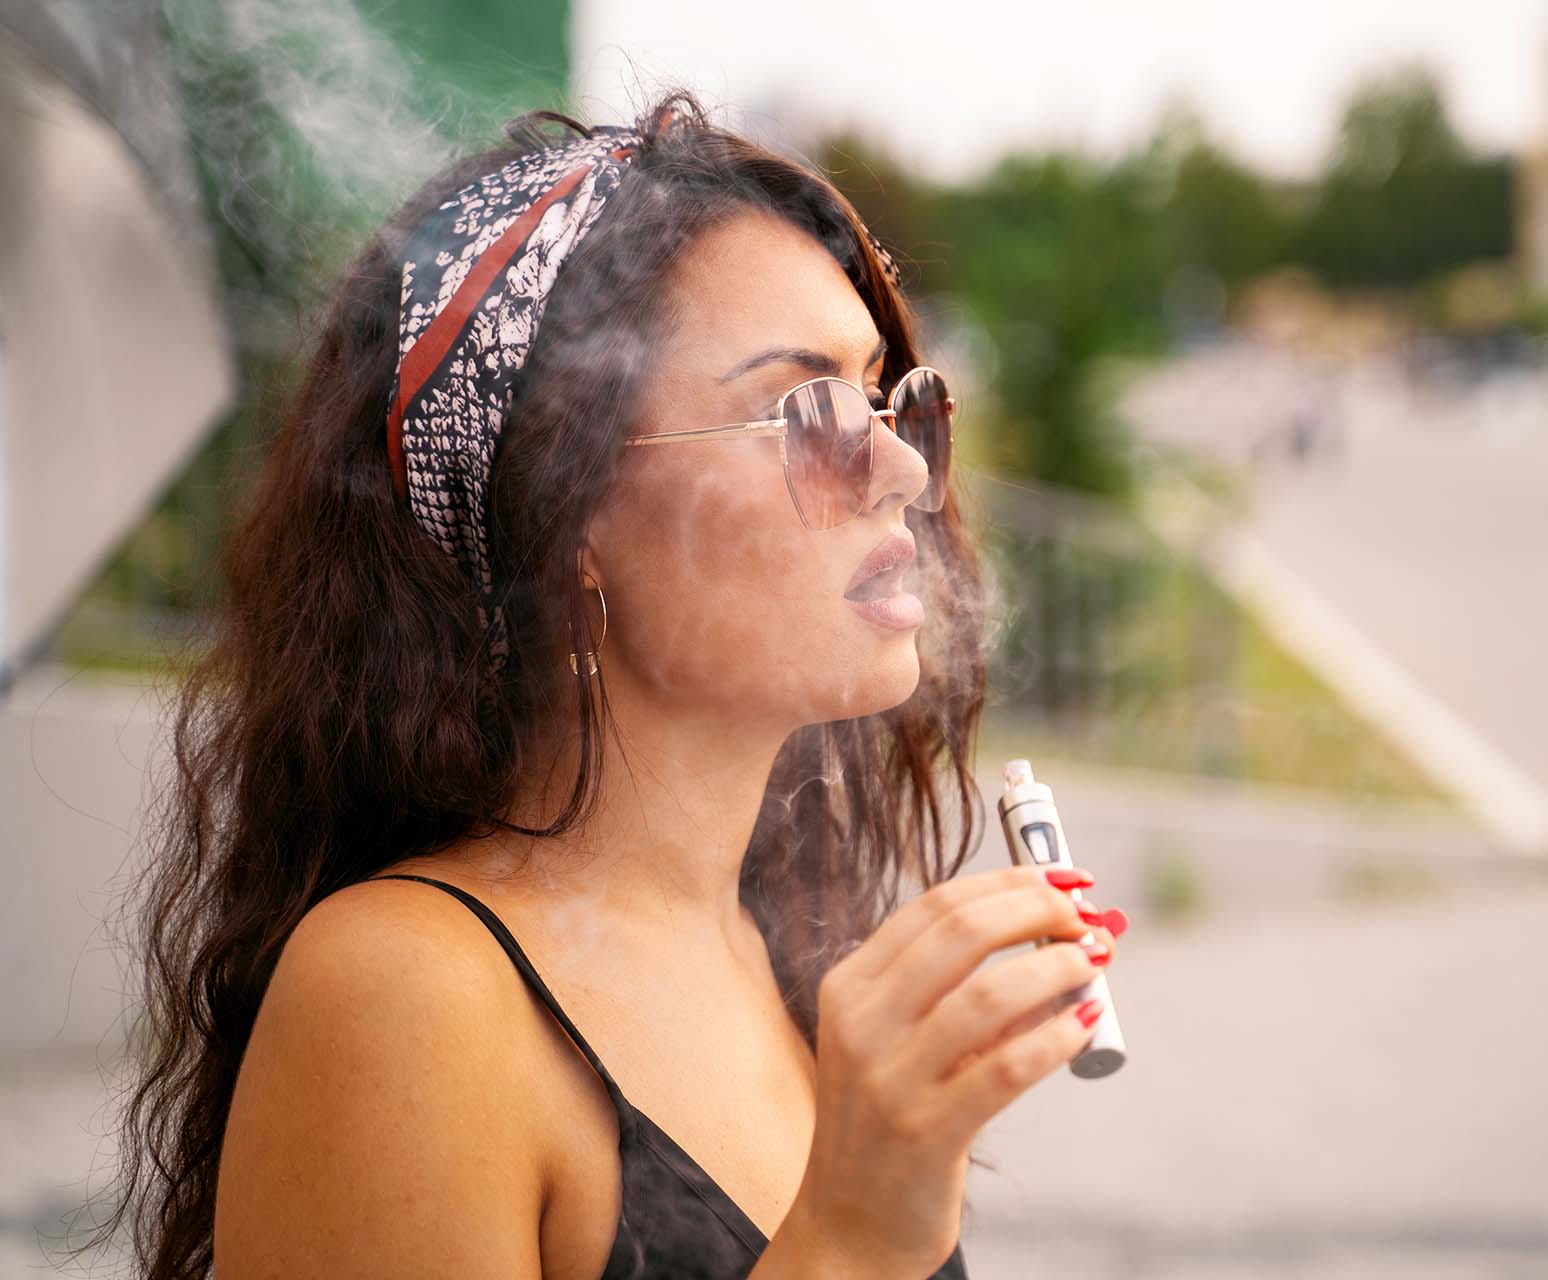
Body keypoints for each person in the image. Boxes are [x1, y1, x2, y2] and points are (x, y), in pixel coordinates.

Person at [90, 90, 1125, 1279]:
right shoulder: (405, 998)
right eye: (809, 409)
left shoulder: (776, 948)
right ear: (568, 508)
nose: (900, 467)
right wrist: (848, 1241)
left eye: (892, 398)